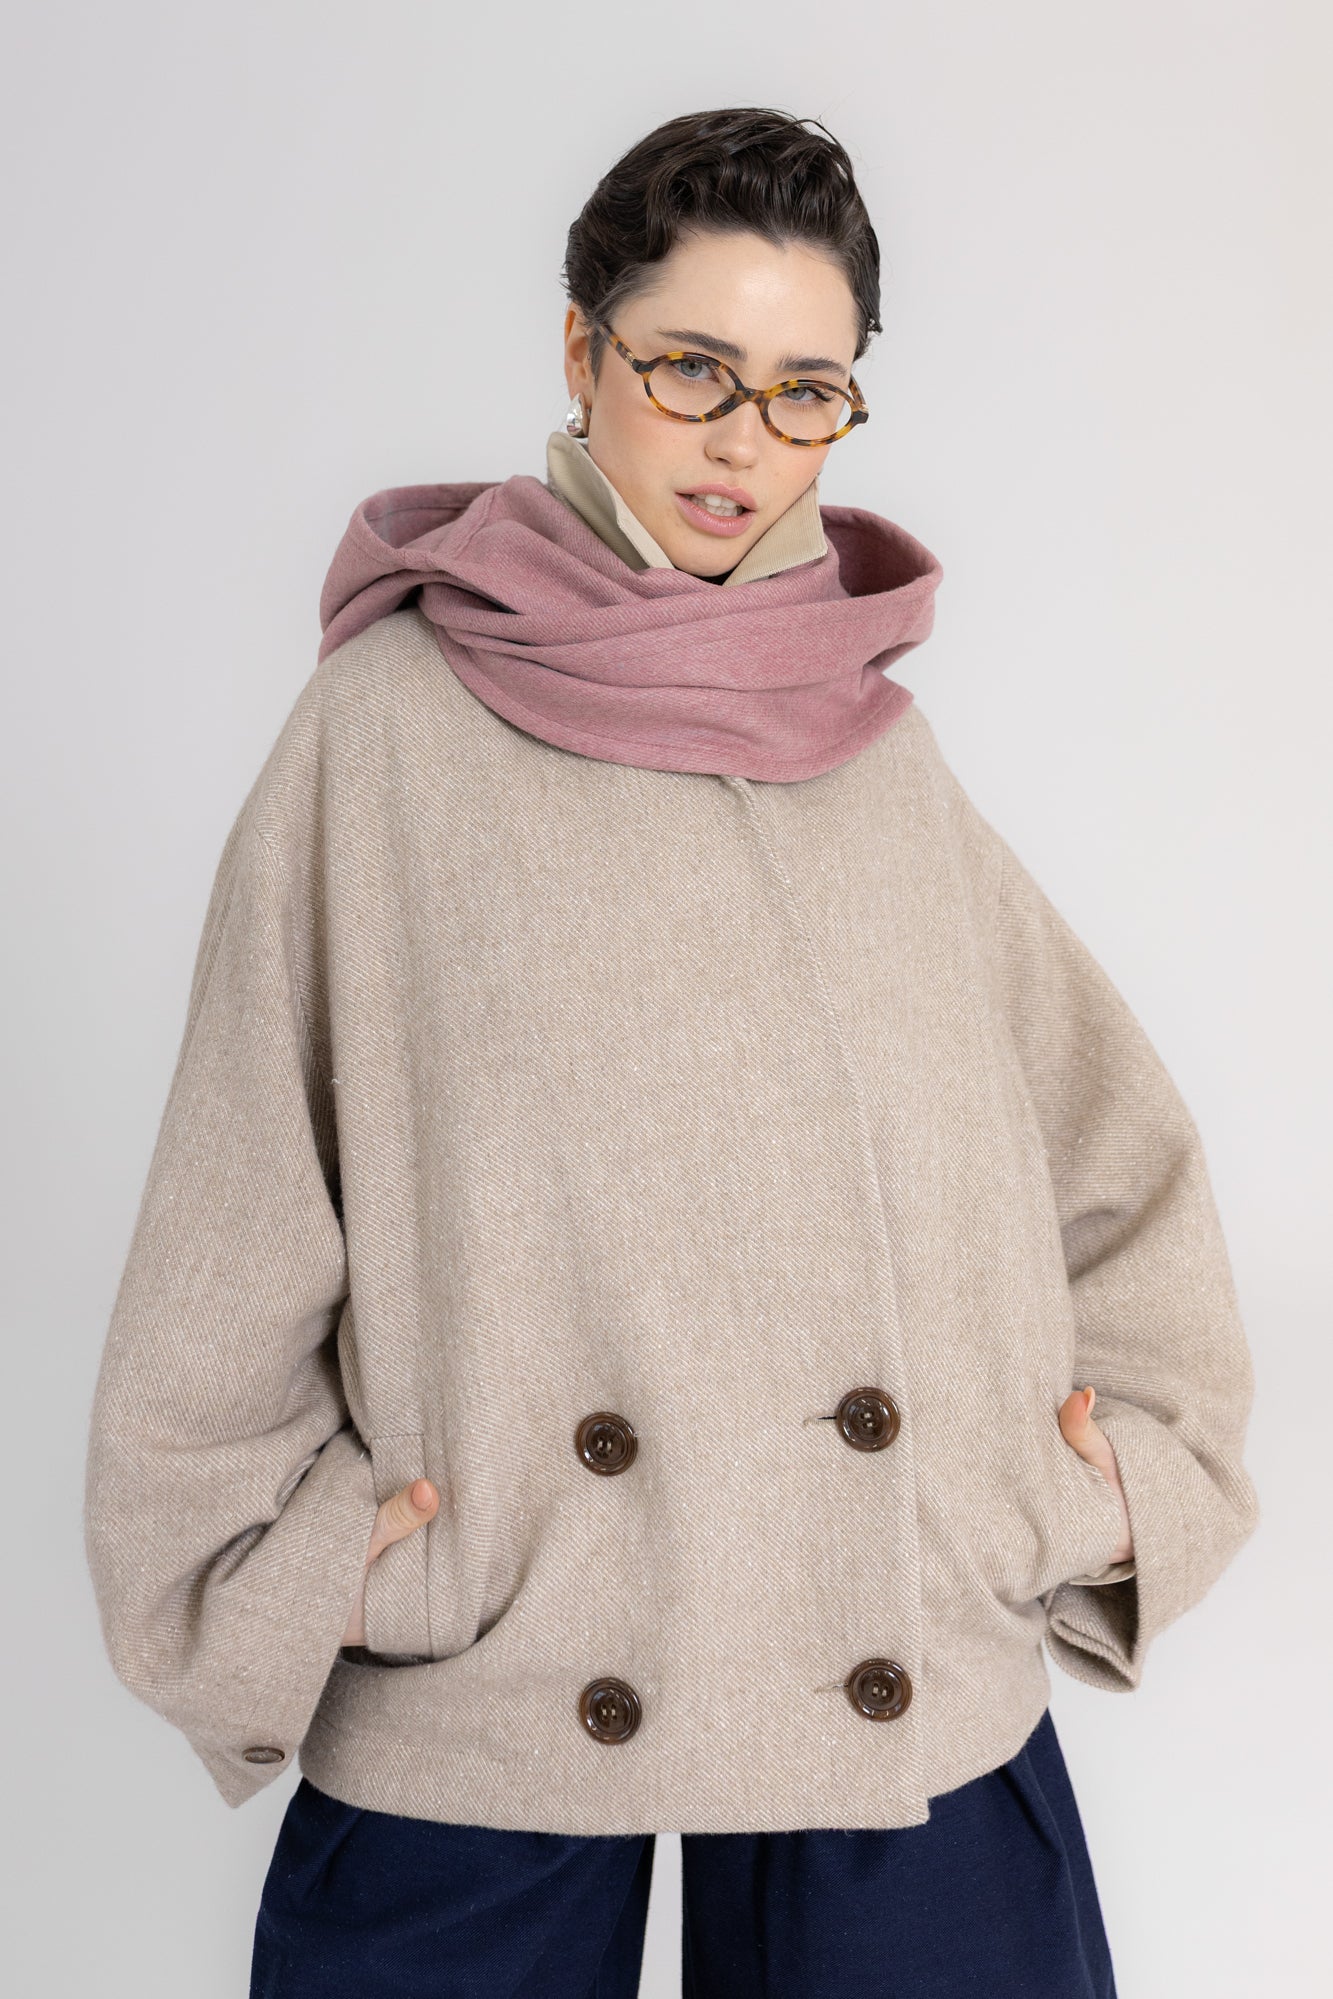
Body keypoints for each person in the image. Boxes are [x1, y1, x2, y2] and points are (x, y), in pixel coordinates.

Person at [83, 107, 1260, 1998]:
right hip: (494, 1662)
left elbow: (1113, 1156)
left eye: (805, 393)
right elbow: (240, 1205)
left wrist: (1089, 1488)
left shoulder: (873, 749)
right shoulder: (383, 737)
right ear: (582, 349)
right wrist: (298, 1572)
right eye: (691, 368)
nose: (741, 442)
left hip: (891, 1648)